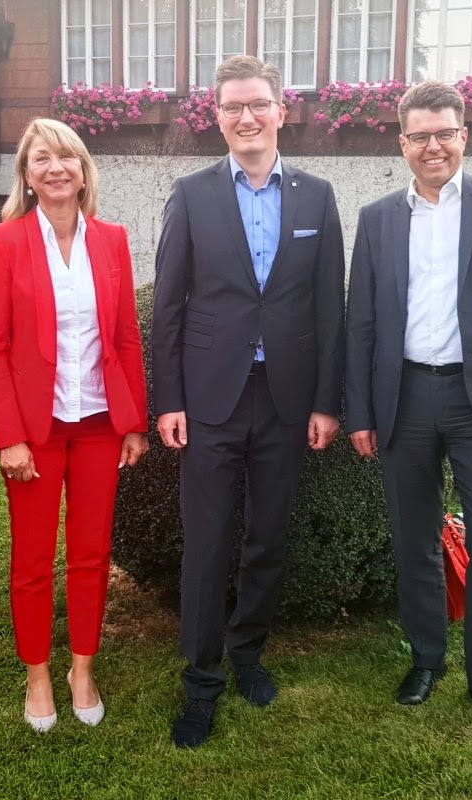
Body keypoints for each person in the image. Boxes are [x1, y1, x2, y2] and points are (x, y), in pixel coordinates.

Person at [345, 81, 472, 737]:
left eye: (444, 133)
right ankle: (426, 659)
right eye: (420, 136)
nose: (432, 146)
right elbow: (361, 323)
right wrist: (360, 412)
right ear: (401, 142)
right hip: (404, 398)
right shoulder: (379, 218)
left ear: (464, 136)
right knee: (414, 538)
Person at [152, 55, 345, 749]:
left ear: (280, 111)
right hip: (210, 400)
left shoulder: (316, 196)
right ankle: (201, 680)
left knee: (268, 538)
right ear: (217, 116)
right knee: (206, 545)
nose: (246, 116)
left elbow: (329, 307)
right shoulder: (191, 194)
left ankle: (248, 653)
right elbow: (169, 305)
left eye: (258, 103)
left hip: (286, 399)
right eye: (233, 106)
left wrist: (326, 401)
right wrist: (168, 399)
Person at [0, 117, 149, 733]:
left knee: (91, 554)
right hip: (35, 430)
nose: (55, 168)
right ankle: (37, 674)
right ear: (26, 175)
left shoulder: (112, 239)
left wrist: (134, 422)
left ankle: (81, 668)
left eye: (66, 157)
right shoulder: (4, 241)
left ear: (82, 170)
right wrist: (10, 436)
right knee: (32, 558)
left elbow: (125, 336)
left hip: (100, 424)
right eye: (41, 158)